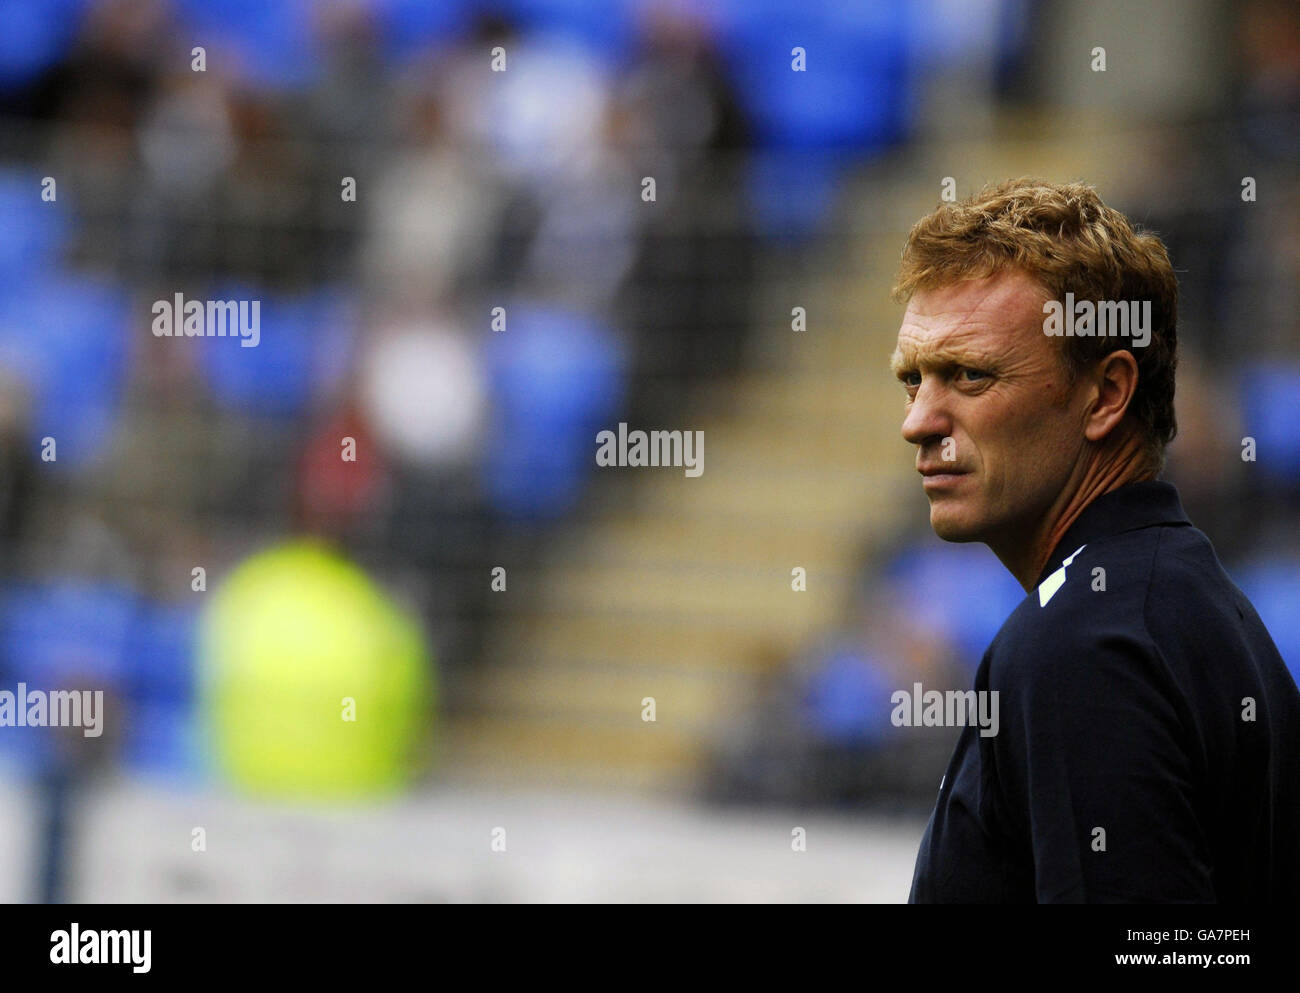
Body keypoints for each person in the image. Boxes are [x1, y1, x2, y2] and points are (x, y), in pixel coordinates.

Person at [891, 178, 1300, 902]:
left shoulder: (1085, 641)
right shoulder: (1197, 608)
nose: (919, 420)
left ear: (1107, 394)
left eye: (969, 375)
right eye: (913, 380)